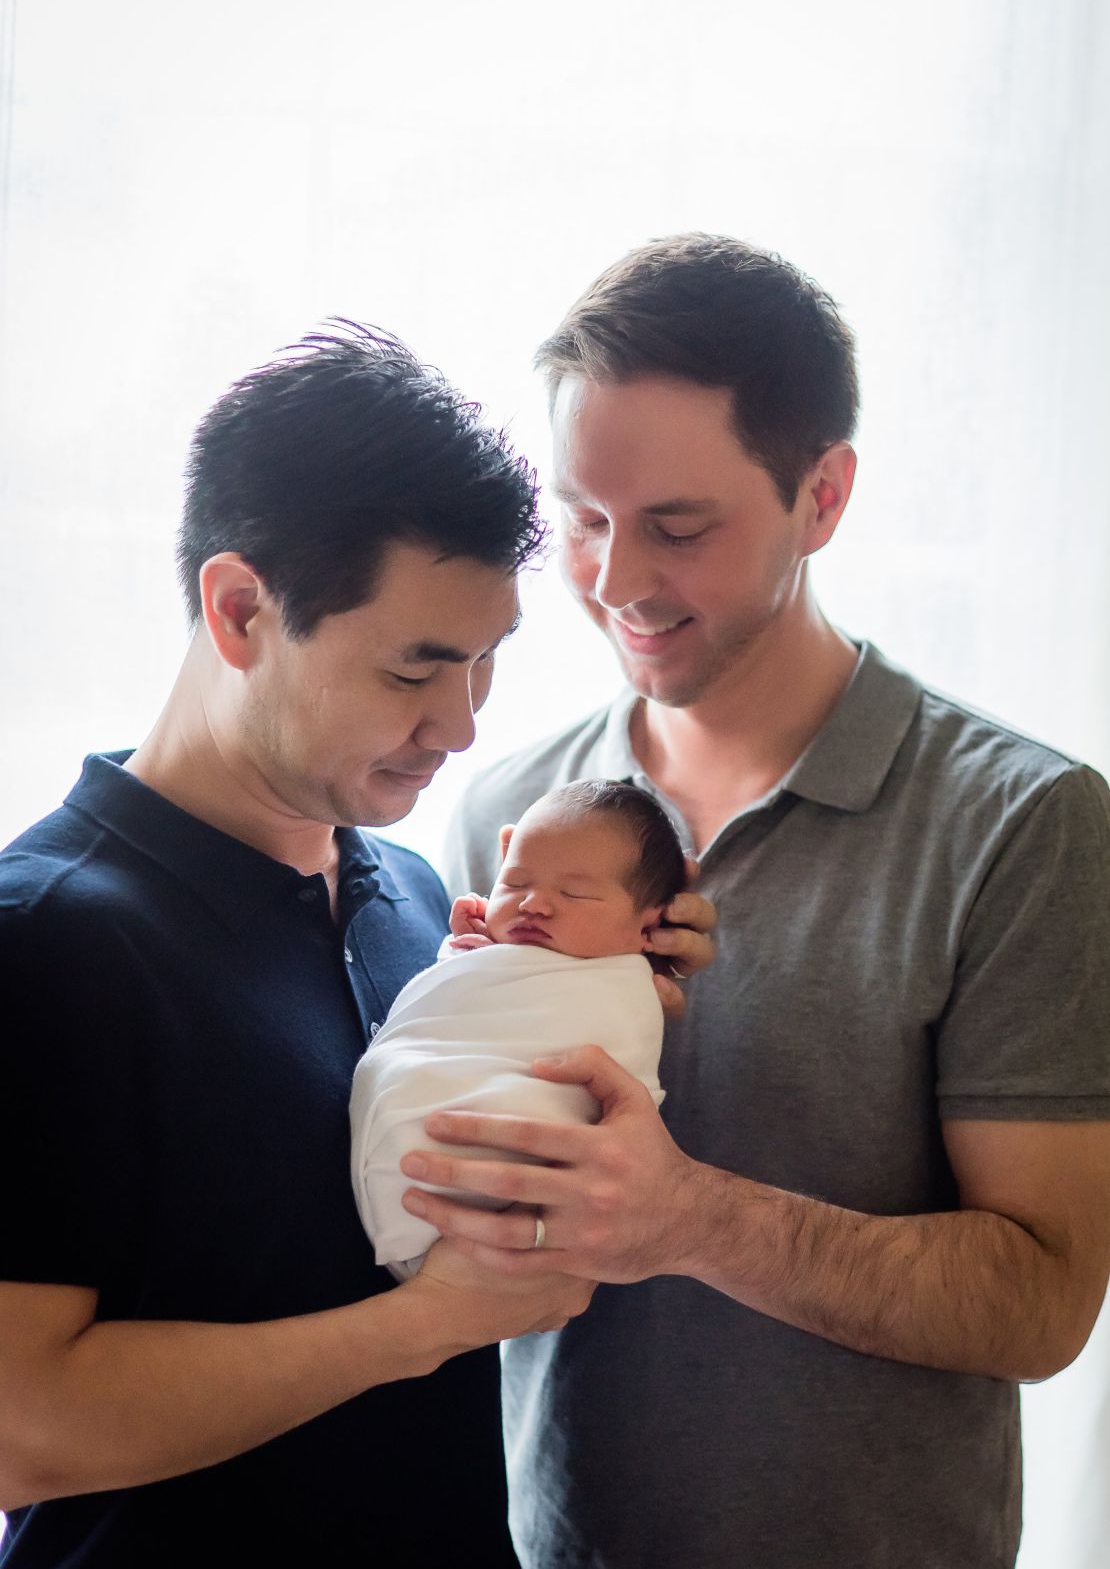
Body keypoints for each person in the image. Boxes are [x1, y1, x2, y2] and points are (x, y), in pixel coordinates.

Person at [396, 236, 1110, 1569]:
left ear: (823, 493)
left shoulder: (1019, 821)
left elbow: (1043, 1298)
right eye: (582, 518)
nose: (612, 583)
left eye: (676, 525)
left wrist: (693, 1217)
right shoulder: (503, 815)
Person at [0, 322, 621, 1568]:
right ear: (240, 610)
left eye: (490, 660)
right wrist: (424, 1325)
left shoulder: (405, 889)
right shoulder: (47, 939)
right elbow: (19, 1424)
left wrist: (628, 986)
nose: (460, 723)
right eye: (415, 669)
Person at [350, 780, 685, 1276]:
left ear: (647, 925)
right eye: (514, 883)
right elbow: (452, 1012)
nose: (534, 904)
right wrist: (466, 954)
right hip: (413, 1159)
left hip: (506, 1179)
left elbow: (595, 1070)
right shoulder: (470, 918)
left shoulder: (622, 987)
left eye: (574, 893)